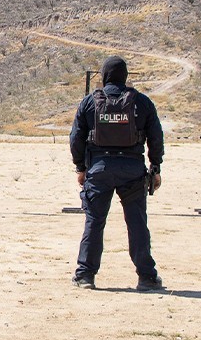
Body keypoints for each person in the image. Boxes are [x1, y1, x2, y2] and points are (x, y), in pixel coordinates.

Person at [69, 56, 165, 292]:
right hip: (132, 170)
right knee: (137, 224)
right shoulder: (141, 102)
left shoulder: (89, 102)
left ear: (104, 76)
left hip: (99, 170)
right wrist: (155, 168)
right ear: (125, 76)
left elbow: (76, 138)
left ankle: (85, 276)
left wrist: (80, 168)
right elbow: (156, 137)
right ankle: (146, 277)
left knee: (94, 222)